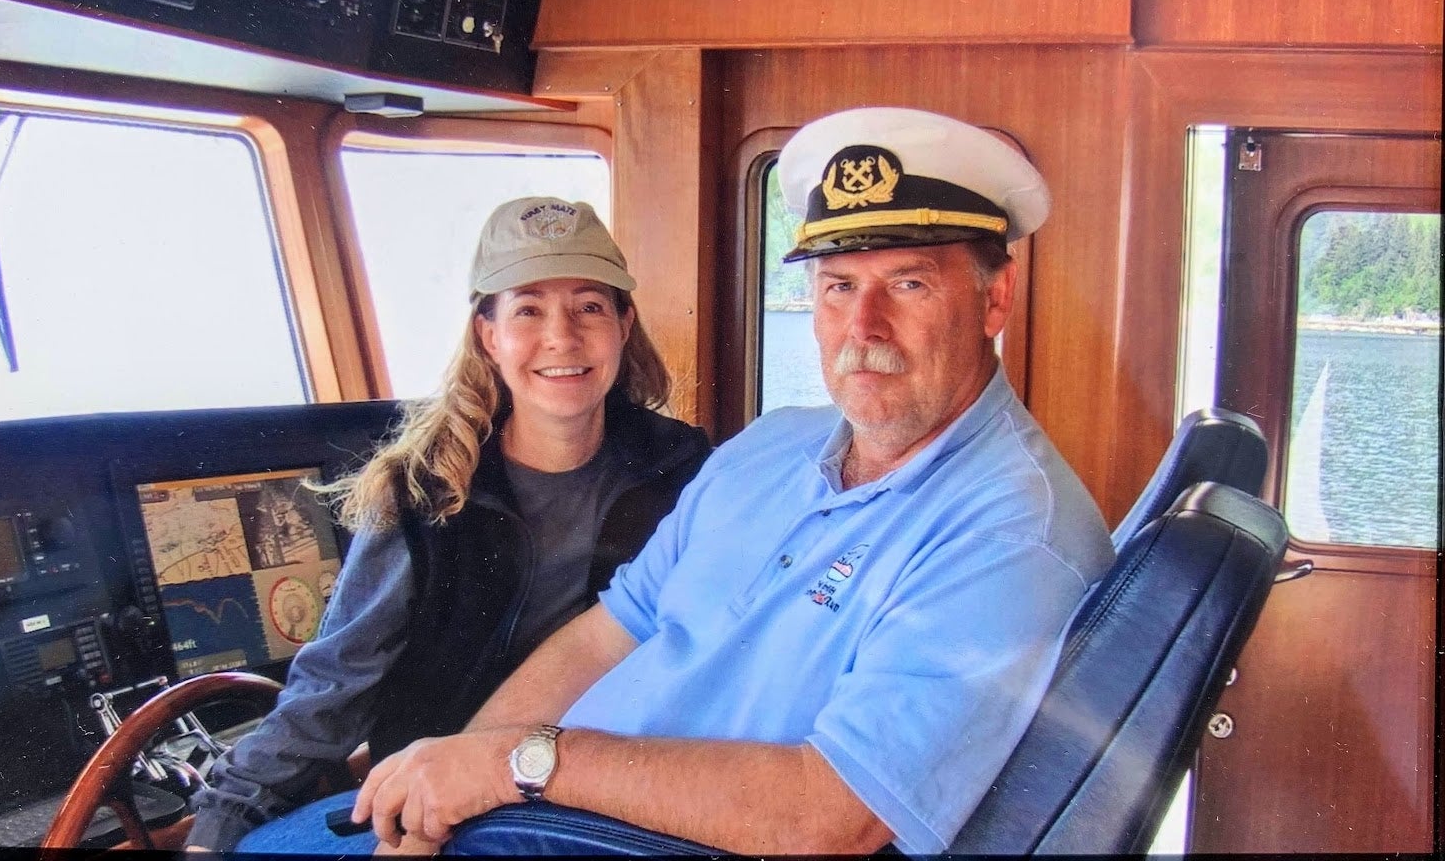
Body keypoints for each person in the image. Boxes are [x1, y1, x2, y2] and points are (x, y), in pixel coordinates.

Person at [350, 108, 1118, 855]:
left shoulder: (1011, 533)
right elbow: (610, 630)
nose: (863, 327)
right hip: (529, 812)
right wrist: (442, 805)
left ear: (995, 298)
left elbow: (829, 817)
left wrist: (513, 765)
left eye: (908, 285)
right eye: (838, 286)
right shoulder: (772, 445)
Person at [183, 196, 712, 853]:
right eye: (527, 309)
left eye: (589, 306)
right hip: (433, 805)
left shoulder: (690, 472)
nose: (562, 336)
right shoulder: (423, 493)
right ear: (488, 335)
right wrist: (221, 822)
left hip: (606, 799)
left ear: (624, 324)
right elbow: (334, 685)